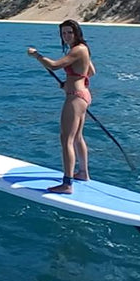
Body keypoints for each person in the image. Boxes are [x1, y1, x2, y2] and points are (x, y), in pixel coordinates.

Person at [27, 19, 96, 194]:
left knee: (66, 140)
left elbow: (54, 66)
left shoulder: (78, 49)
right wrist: (72, 81)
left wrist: (37, 55)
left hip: (75, 98)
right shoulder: (84, 49)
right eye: (63, 33)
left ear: (76, 33)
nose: (66, 36)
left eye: (69, 33)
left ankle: (67, 184)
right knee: (78, 137)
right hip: (82, 95)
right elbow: (91, 71)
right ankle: (83, 173)